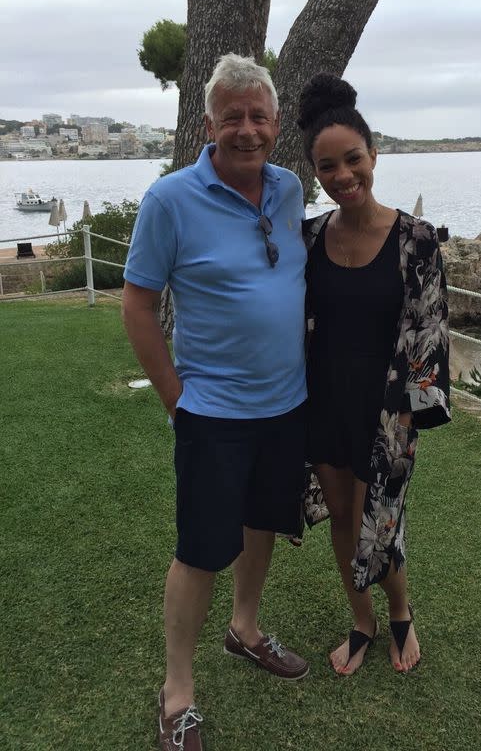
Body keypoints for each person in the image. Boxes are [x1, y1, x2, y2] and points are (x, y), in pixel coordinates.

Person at [122, 53, 309, 751]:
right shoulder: (171, 199)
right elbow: (138, 304)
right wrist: (177, 399)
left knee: (261, 527)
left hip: (286, 406)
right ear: (209, 124)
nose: (247, 129)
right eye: (232, 116)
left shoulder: (290, 189)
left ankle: (246, 630)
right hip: (213, 412)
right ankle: (176, 693)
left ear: (277, 123)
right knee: (201, 550)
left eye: (259, 116)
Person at [297, 74, 451, 676]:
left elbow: (430, 331)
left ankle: (400, 614)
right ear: (315, 173)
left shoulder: (415, 241)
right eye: (327, 166)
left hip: (386, 408)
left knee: (379, 521)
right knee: (342, 517)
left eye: (352, 159)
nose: (343, 176)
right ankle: (361, 622)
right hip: (323, 402)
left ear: (373, 154)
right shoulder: (309, 238)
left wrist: (411, 414)